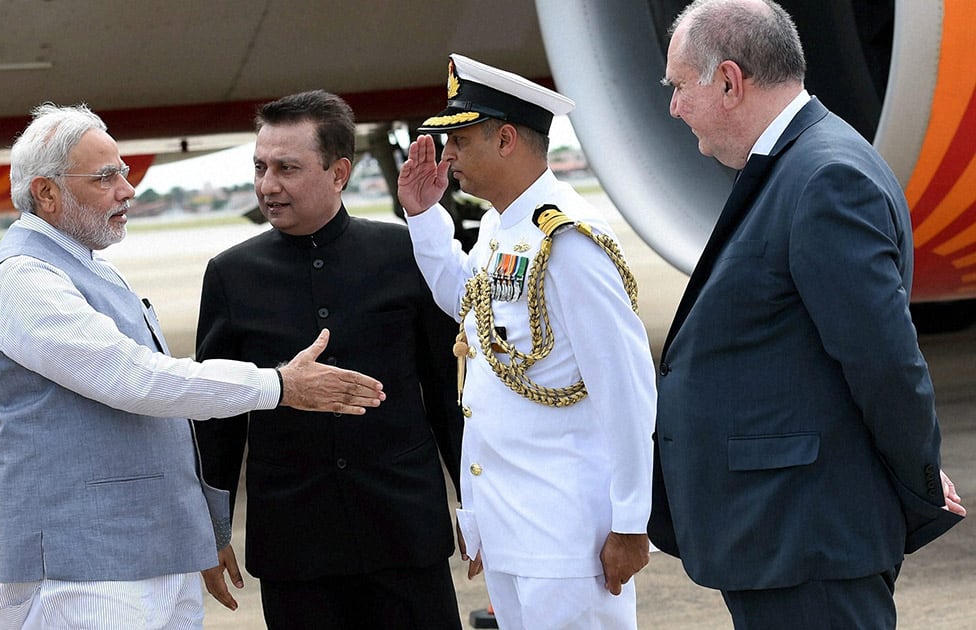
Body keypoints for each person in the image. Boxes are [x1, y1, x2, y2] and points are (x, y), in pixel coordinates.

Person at [0, 103, 385, 630]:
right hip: (88, 572)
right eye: (106, 177)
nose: (127, 189)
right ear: (46, 193)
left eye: (124, 172)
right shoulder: (23, 281)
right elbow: (134, 378)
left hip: (147, 559)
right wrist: (278, 385)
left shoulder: (90, 270)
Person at [651, 1, 967, 628]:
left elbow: (885, 362)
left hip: (806, 540)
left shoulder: (824, 177)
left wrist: (918, 478)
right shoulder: (798, 165)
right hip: (782, 536)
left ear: (729, 81)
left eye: (680, 86)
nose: (674, 107)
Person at [397, 54, 657, 629]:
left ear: (507, 138)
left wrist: (632, 521)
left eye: (460, 141)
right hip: (513, 525)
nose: (450, 157)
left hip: (568, 533)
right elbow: (470, 312)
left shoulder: (569, 239)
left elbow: (627, 384)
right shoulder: (500, 227)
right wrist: (423, 217)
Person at [192, 90, 465, 629]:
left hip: (404, 532)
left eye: (287, 168)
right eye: (260, 167)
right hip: (297, 546)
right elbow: (216, 414)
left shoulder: (405, 256)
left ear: (339, 173)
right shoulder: (230, 275)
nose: (268, 185)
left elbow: (447, 395)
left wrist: (475, 505)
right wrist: (213, 528)